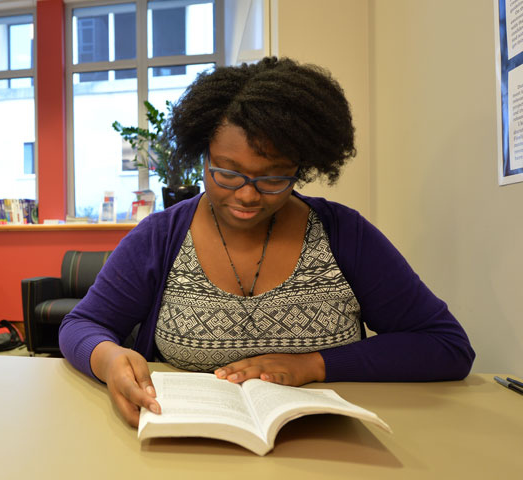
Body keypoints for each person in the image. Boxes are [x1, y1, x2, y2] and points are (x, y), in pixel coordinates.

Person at [58, 57, 475, 427]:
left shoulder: (344, 234)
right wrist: (107, 358)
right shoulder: (160, 237)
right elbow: (81, 324)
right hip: (188, 449)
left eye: (273, 177)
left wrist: (314, 365)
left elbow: (446, 346)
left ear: (303, 166)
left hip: (327, 450)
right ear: (203, 155)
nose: (247, 195)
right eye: (227, 172)